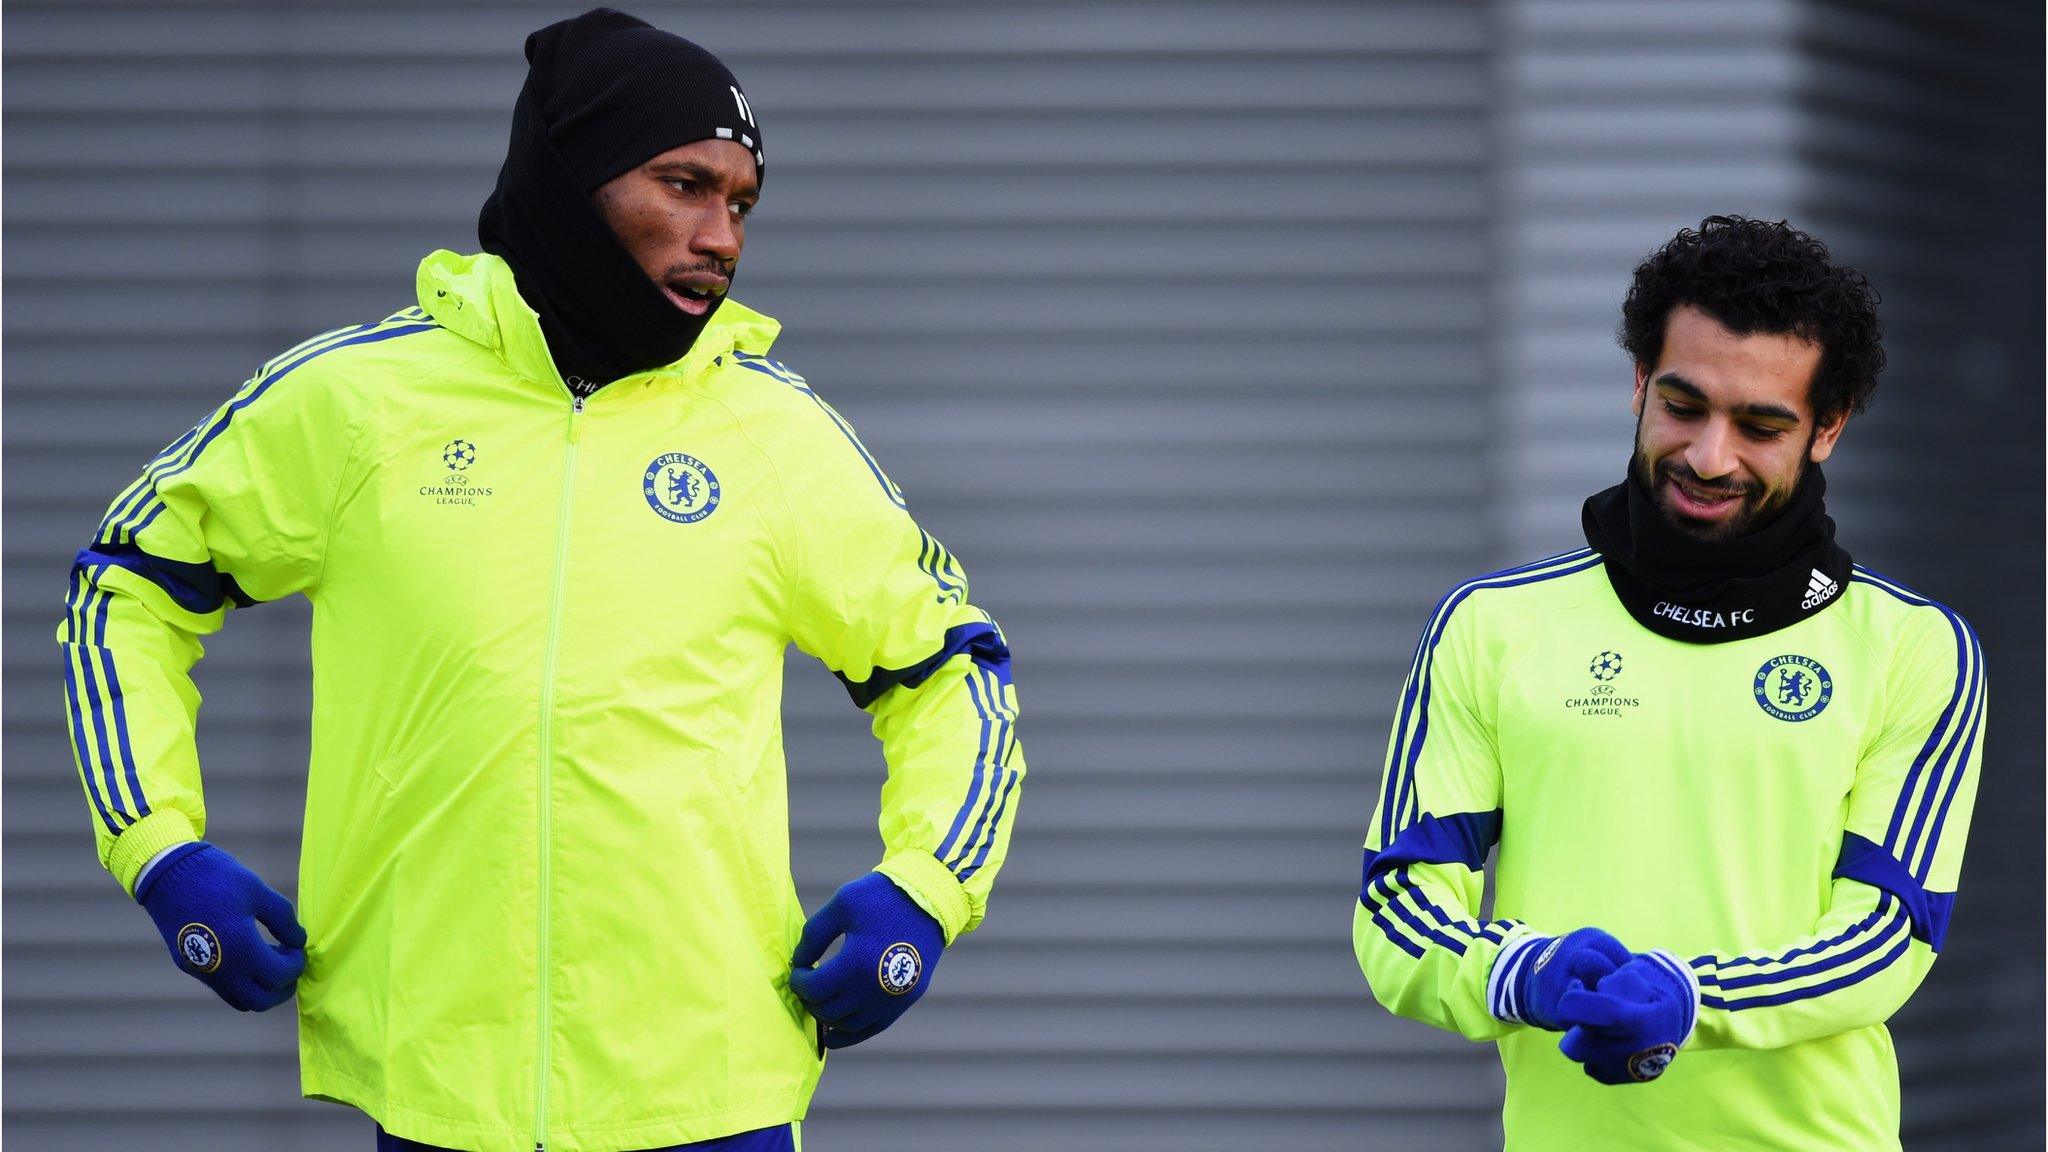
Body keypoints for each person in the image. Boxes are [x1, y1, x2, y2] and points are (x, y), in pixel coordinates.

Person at [56, 10, 1024, 1151]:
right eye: (684, 185)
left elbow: (951, 671)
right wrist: (160, 850)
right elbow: (122, 591)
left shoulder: (777, 437)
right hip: (433, 1093)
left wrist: (926, 884)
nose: (722, 236)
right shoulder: (357, 404)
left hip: (709, 1098)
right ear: (571, 179)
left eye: (742, 203)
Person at [1350, 216, 1982, 1150]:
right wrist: (1517, 973)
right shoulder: (1493, 626)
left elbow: (1888, 937)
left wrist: (1693, 998)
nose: (1710, 457)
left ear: (1828, 428)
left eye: (1762, 425)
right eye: (1683, 406)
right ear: (1640, 383)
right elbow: (1397, 907)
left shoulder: (1913, 648)